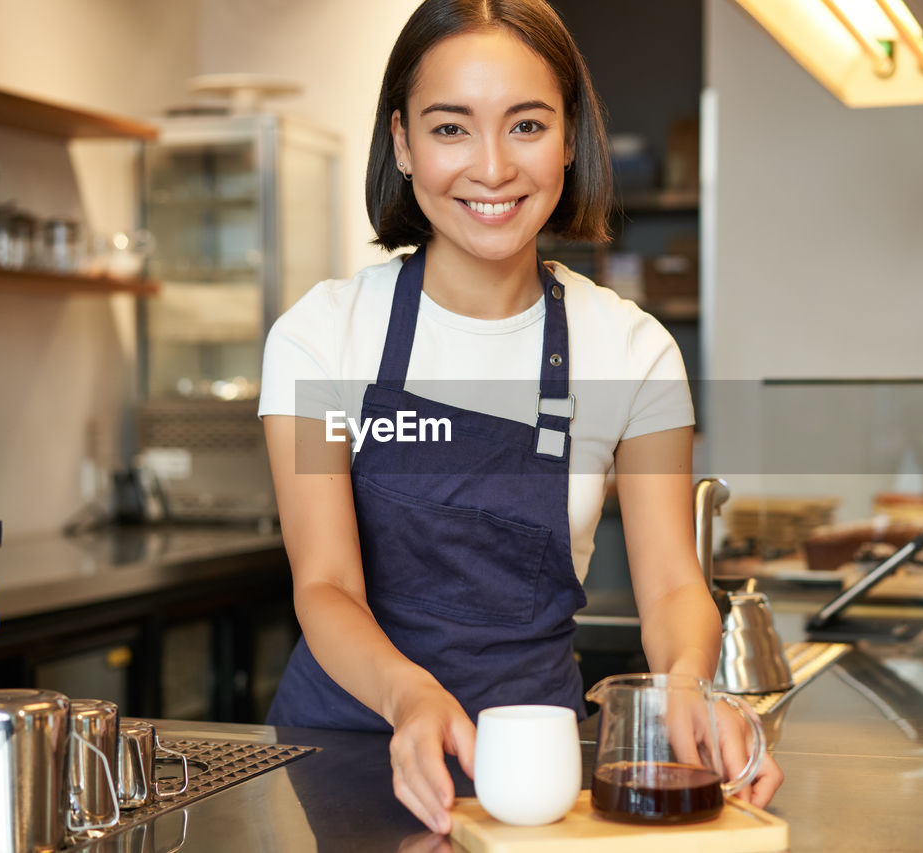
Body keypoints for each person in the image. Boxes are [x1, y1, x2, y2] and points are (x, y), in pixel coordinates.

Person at [259, 0, 783, 834]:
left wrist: (688, 686)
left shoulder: (631, 348)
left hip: (536, 774)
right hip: (350, 752)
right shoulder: (321, 337)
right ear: (402, 143)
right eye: (451, 128)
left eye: (527, 125)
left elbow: (674, 582)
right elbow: (324, 586)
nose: (494, 167)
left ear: (570, 139)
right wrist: (412, 697)